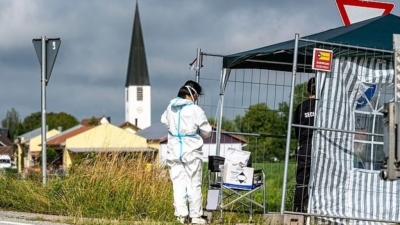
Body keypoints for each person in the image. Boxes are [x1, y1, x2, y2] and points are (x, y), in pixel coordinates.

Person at [161, 80, 212, 224]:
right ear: (193, 94)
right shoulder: (195, 110)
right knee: (193, 183)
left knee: (178, 184)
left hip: (174, 150)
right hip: (191, 151)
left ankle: (180, 216)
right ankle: (195, 216)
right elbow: (207, 131)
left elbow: (164, 121)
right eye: (198, 96)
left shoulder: (171, 107)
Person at [292, 77, 316, 213]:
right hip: (319, 145)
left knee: (302, 178)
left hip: (304, 145)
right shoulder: (323, 106)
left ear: (308, 90)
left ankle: (299, 207)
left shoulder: (301, 107)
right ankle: (316, 208)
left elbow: (296, 129)